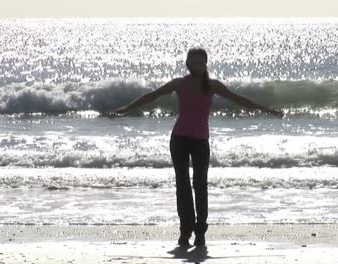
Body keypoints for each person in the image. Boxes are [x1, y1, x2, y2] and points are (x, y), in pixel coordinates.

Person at [114, 48, 283, 247]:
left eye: (201, 63)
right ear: (188, 64)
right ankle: (185, 231)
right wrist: (125, 109)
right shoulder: (179, 83)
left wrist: (268, 110)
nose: (197, 66)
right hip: (179, 140)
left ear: (205, 64)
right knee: (183, 186)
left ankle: (200, 232)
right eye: (193, 63)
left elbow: (239, 99)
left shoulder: (212, 85)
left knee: (200, 185)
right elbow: (152, 95)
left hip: (200, 141)